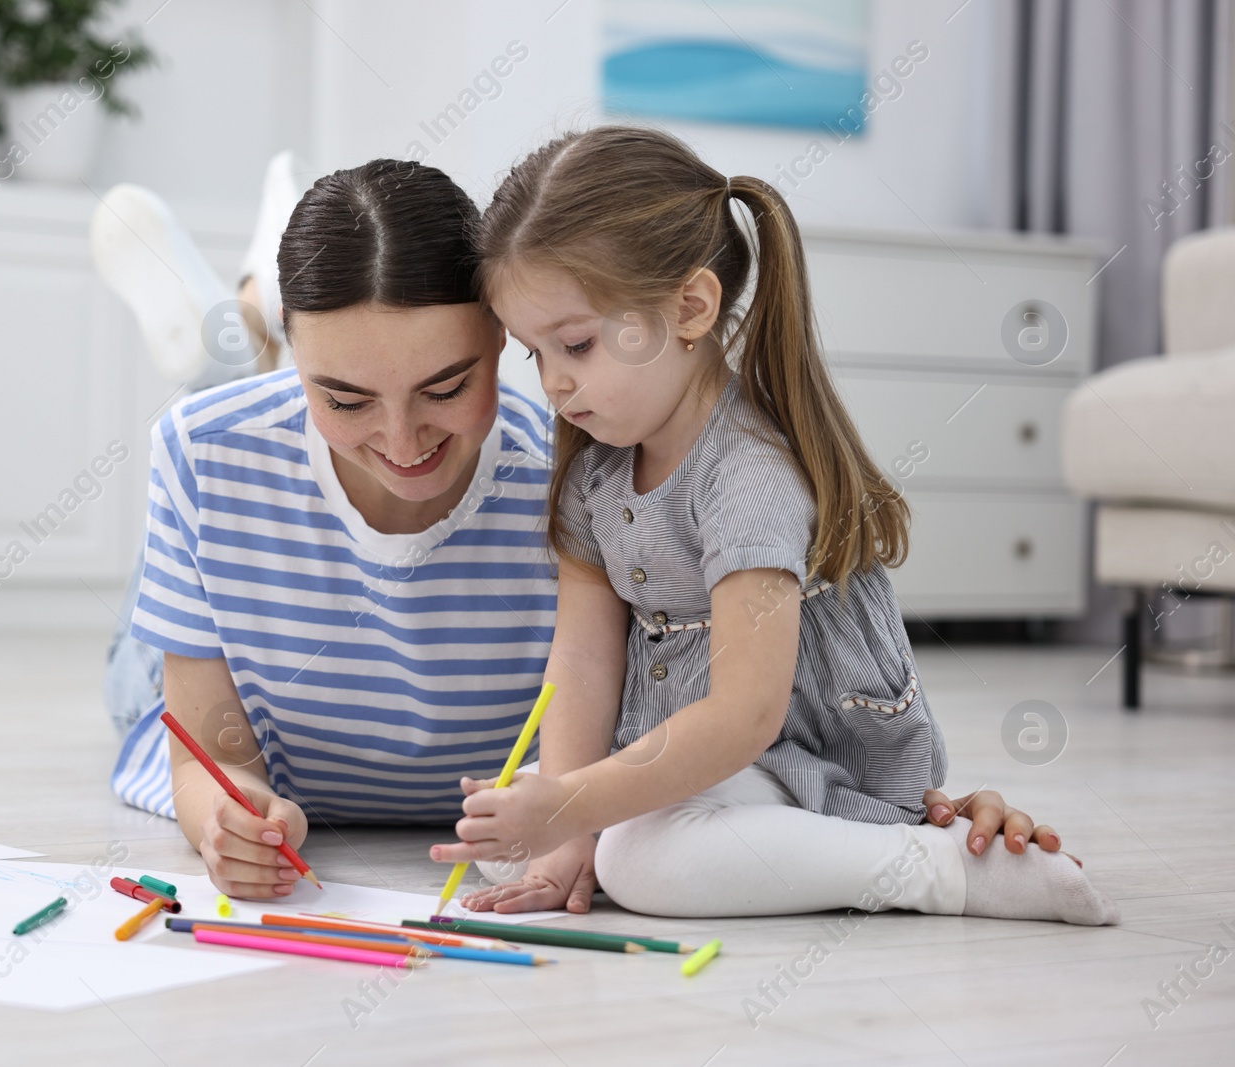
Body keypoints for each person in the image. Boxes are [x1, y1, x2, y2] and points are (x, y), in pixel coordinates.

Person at [435, 126, 1117, 926]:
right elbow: (582, 660)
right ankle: (721, 844)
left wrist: (579, 810)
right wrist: (560, 828)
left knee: (637, 857)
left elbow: (746, 715)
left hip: (801, 757)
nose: (554, 382)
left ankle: (932, 869)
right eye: (533, 353)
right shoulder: (596, 470)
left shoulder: (747, 473)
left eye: (576, 344)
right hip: (711, 760)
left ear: (689, 308)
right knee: (511, 828)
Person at [107, 158, 556, 899]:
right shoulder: (203, 453)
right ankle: (239, 345)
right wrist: (226, 809)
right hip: (228, 678)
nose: (405, 445)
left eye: (446, 389)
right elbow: (199, 755)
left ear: (502, 333)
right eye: (345, 398)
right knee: (137, 673)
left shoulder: (572, 473)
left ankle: (241, 331)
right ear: (301, 348)